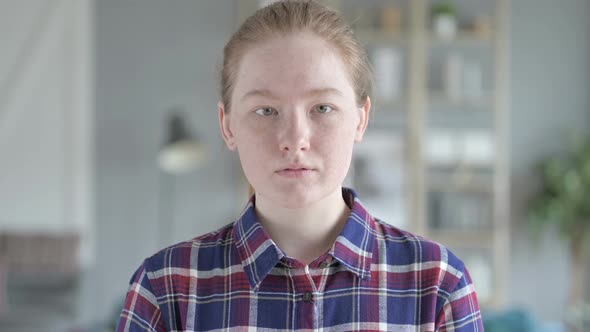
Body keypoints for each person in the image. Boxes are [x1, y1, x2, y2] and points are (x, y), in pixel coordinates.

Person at [117, 1, 483, 331]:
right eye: (265, 110)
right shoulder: (165, 289)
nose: (294, 138)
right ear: (228, 125)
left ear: (360, 119)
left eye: (322, 108)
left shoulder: (439, 284)